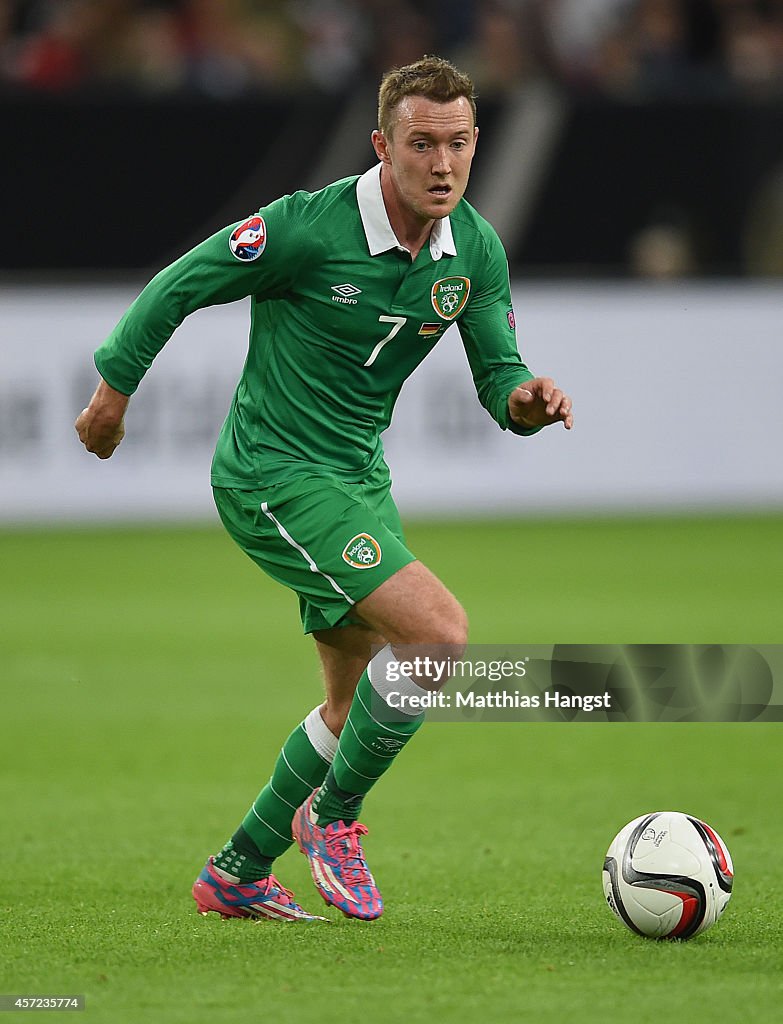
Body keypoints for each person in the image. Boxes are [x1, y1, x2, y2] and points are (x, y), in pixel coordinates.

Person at [75, 55, 573, 923]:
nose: (442, 164)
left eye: (457, 144)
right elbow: (180, 283)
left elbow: (500, 377)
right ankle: (334, 821)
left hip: (355, 479)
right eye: (421, 144)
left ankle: (235, 870)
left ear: (475, 144)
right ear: (383, 145)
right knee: (437, 636)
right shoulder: (306, 228)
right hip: (272, 474)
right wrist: (113, 391)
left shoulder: (473, 251)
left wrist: (526, 402)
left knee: (352, 709)